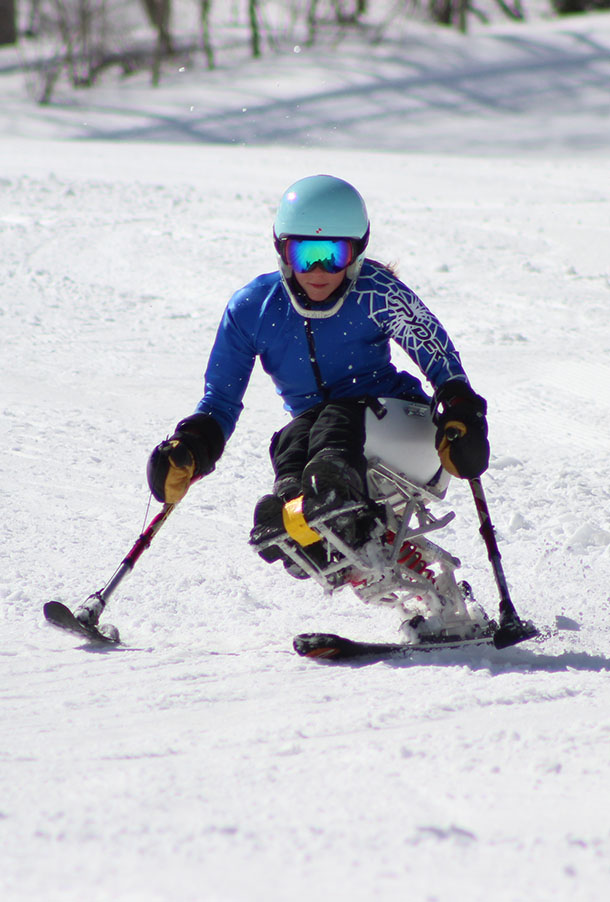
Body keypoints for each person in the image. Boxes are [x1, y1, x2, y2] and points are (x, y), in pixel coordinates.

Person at [147, 175, 489, 569]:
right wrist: (192, 445)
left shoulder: (377, 292)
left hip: (403, 429)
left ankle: (328, 495)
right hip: (322, 435)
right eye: (305, 255)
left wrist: (460, 408)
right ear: (282, 251)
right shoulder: (254, 308)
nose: (319, 270)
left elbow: (437, 353)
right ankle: (300, 518)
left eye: (334, 255)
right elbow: (221, 401)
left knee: (332, 420)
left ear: (357, 253)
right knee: (291, 438)